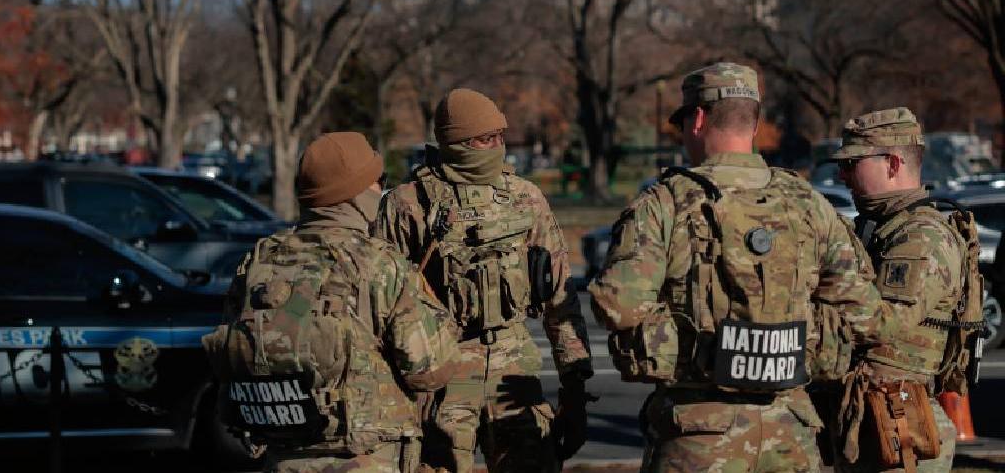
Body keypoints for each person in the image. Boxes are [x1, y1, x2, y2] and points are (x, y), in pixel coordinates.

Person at [589, 62, 902, 473]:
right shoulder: (808, 203)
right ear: (754, 124)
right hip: (791, 432)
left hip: (697, 435)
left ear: (698, 119)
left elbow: (618, 306)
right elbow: (869, 318)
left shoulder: (664, 203)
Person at [204, 132, 462, 472]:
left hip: (281, 459)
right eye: (377, 181)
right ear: (354, 194)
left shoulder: (261, 260)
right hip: (366, 460)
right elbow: (429, 371)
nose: (380, 190)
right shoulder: (378, 264)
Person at [375, 88, 592, 473]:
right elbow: (382, 307)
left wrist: (574, 388)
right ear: (454, 142)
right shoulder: (407, 204)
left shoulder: (525, 198)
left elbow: (560, 296)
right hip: (442, 374)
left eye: (499, 137)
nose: (495, 147)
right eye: (483, 139)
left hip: (514, 371)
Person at [827, 108, 975, 473]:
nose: (842, 176)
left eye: (852, 164)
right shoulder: (882, 229)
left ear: (893, 163)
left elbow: (882, 324)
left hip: (898, 427)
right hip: (873, 420)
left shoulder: (921, 237)